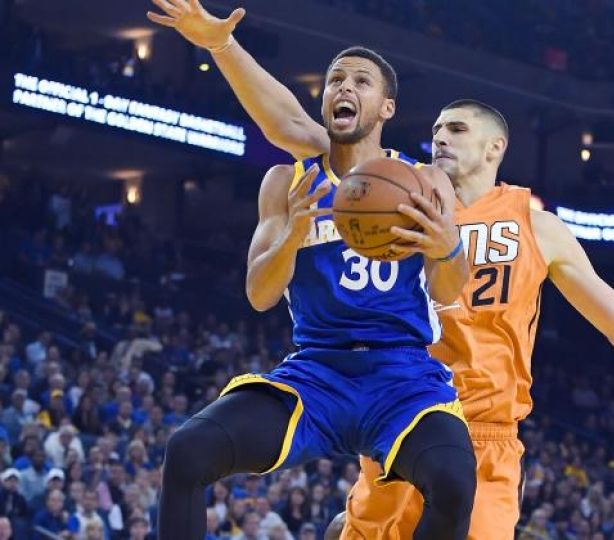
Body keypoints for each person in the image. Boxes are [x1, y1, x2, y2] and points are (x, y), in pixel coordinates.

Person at [148, 2, 614, 538]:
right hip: (396, 408)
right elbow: (301, 130)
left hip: (473, 429)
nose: (440, 136)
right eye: (435, 127)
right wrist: (222, 46)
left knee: (454, 489)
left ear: (496, 146)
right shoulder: (396, 192)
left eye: (456, 129)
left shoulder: (526, 222)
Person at [149, 5, 476, 540]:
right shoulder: (288, 182)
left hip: (402, 377)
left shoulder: (423, 183)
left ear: (387, 107)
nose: (343, 87)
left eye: (361, 81)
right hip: (316, 374)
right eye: (334, 80)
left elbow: (448, 289)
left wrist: (446, 249)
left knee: (456, 481)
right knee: (187, 450)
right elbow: (259, 295)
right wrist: (292, 236)